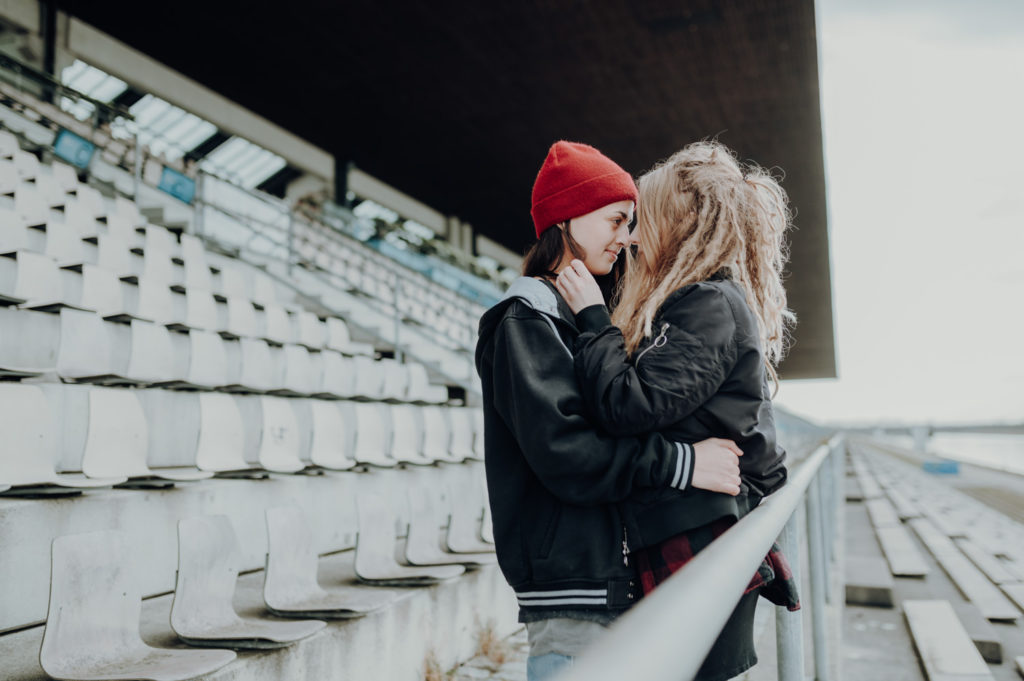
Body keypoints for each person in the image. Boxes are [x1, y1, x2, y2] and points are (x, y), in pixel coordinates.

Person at [475, 140, 745, 681]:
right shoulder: (522, 319)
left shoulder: (577, 315)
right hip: (572, 594)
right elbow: (569, 454)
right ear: (567, 217)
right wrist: (684, 464)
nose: (627, 239)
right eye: (616, 220)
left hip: (613, 583)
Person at [554, 140, 795, 681]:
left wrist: (594, 319)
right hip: (701, 531)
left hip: (707, 536)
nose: (634, 237)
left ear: (681, 222)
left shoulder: (707, 304)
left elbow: (628, 405)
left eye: (645, 220)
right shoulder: (705, 302)